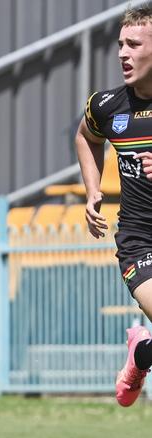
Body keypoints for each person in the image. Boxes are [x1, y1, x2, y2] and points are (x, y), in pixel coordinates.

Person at [76, 3, 152, 408]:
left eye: (134, 44)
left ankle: (141, 352)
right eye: (120, 44)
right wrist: (93, 189)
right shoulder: (107, 105)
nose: (123, 53)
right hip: (140, 243)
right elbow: (85, 137)